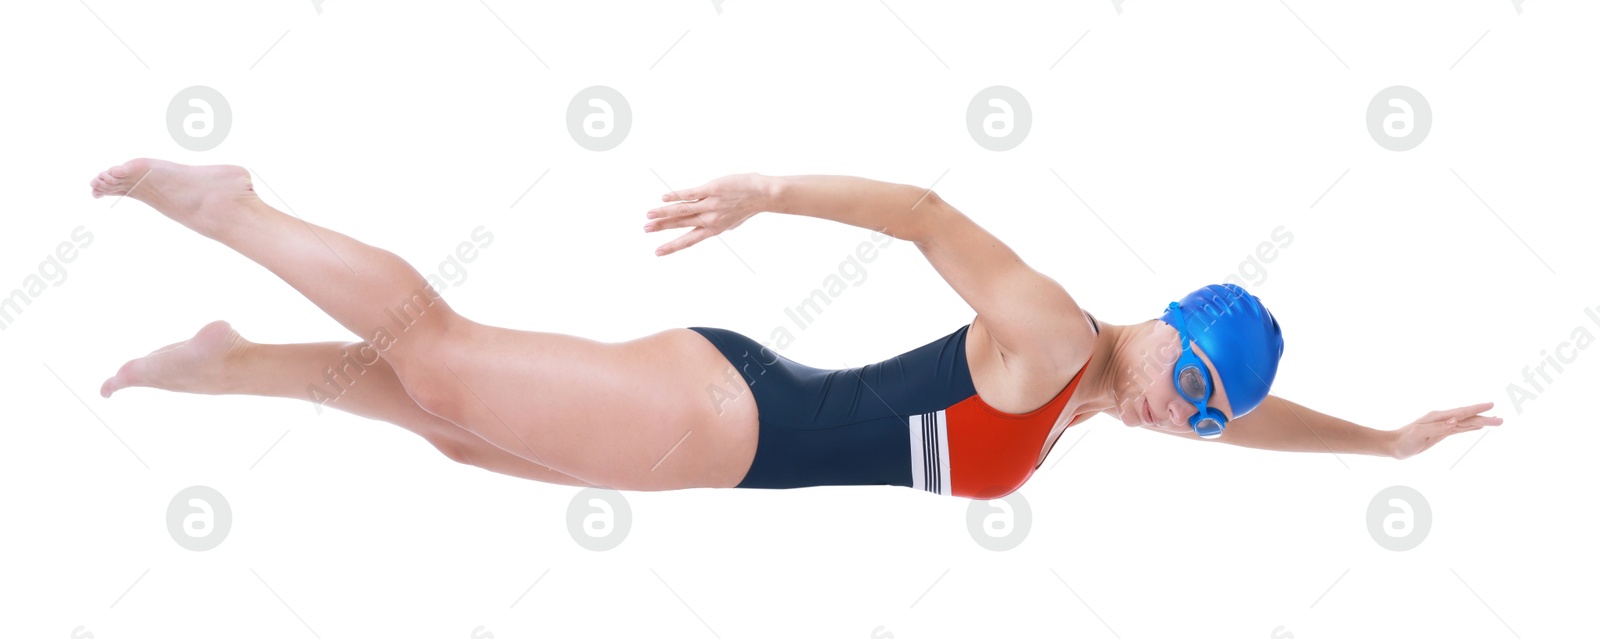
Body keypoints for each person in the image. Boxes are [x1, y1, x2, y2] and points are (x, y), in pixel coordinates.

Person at [91, 160, 1502, 498]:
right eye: (1189, 382)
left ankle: (235, 361)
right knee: (445, 356)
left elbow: (1260, 417)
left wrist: (1384, 442)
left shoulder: (1108, 389)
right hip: (717, 416)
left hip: (733, 431)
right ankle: (238, 210)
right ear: (1167, 325)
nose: (1182, 415)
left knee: (459, 436)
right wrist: (763, 193)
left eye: (1202, 413)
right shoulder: (1059, 333)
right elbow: (927, 213)